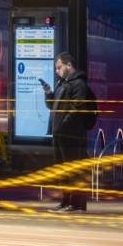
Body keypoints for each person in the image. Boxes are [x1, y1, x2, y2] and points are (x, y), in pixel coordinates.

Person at [40, 52, 97, 212]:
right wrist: (48, 92)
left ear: (69, 65)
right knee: (63, 170)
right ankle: (66, 201)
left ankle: (75, 203)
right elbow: (53, 106)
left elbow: (77, 109)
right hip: (60, 135)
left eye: (59, 67)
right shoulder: (62, 83)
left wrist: (62, 126)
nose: (57, 71)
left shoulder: (78, 84)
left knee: (73, 171)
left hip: (70, 135)